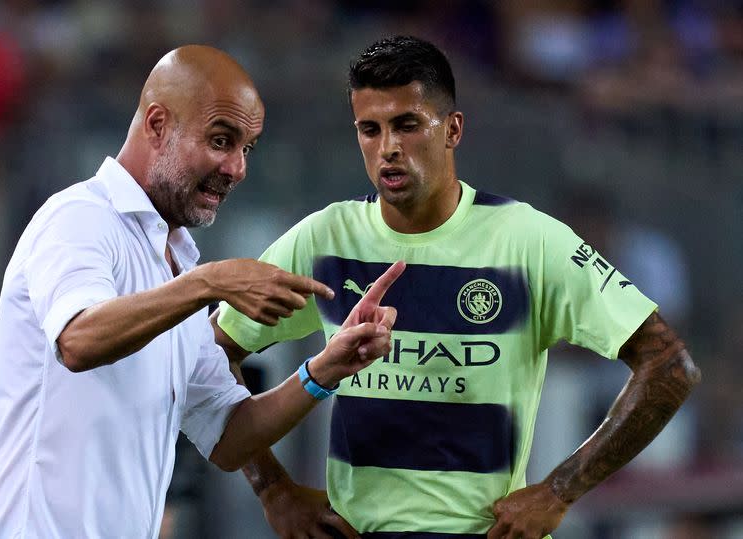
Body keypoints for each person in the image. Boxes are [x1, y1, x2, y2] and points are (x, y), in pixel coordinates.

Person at [212, 36, 701, 539]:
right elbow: (212, 351)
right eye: (370, 129)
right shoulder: (325, 238)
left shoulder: (528, 240)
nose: (389, 148)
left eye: (407, 124)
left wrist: (559, 490)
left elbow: (668, 365)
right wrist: (273, 489)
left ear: (453, 129)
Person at [0, 44, 404, 539]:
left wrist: (324, 370)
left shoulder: (176, 263)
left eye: (247, 149)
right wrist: (206, 284)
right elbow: (78, 340)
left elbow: (229, 438)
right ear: (156, 124)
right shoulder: (80, 218)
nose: (238, 168)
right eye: (221, 140)